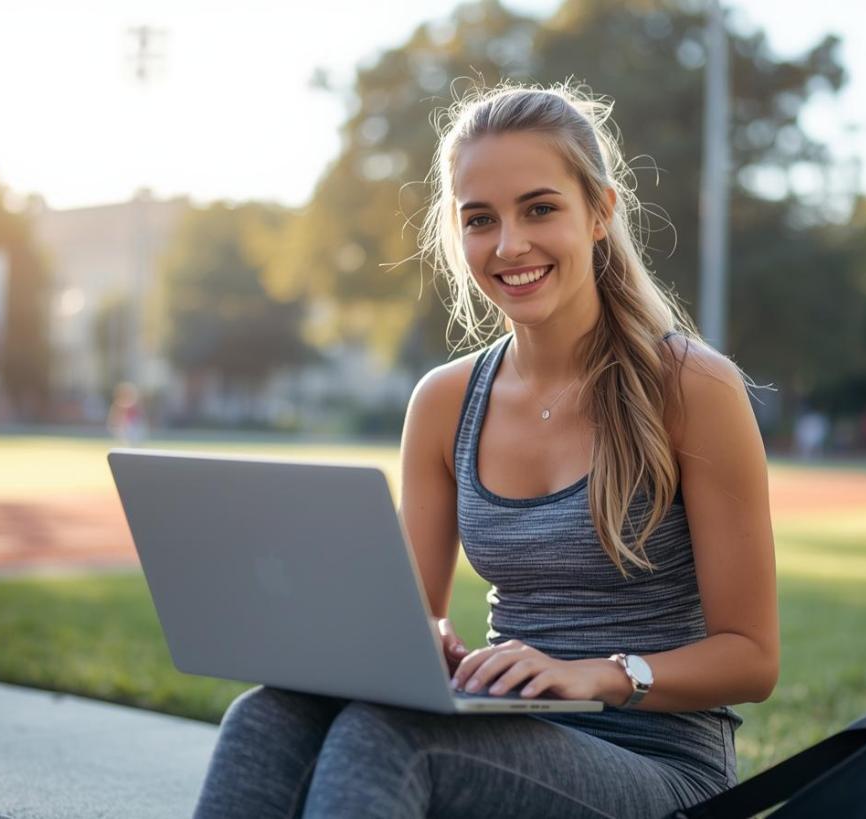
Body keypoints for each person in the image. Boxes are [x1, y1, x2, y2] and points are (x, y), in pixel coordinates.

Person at [194, 83, 778, 819]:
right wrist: (427, 641)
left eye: (539, 208)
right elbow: (411, 614)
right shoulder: (445, 403)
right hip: (505, 727)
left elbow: (752, 658)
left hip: (659, 766)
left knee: (393, 738)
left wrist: (595, 674)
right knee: (265, 716)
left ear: (600, 212)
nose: (509, 245)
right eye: (480, 219)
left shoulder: (692, 387)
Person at [106, 381, 147, 446]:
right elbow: (114, 420)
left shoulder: (135, 405)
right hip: (124, 428)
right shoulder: (117, 405)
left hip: (134, 427)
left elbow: (139, 418)